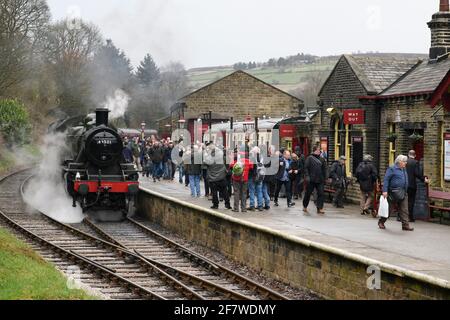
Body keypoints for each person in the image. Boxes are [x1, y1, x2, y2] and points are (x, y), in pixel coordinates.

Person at [379, 155, 414, 231]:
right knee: (389, 209)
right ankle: (381, 222)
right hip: (393, 192)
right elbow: (386, 180)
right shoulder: (392, 168)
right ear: (399, 162)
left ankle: (405, 225)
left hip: (403, 192)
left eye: (406, 161)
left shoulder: (404, 169)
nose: (405, 163)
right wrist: (385, 191)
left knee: (404, 210)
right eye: (404, 161)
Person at [204, 144, 231, 210]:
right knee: (225, 190)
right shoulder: (221, 156)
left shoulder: (209, 158)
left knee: (214, 192)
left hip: (213, 177)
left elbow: (205, 163)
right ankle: (227, 204)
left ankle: (215, 205)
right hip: (221, 176)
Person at [303, 145, 328, 214]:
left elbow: (325, 169)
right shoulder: (309, 158)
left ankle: (319, 208)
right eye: (317, 150)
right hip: (311, 179)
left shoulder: (322, 159)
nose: (319, 151)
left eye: (319, 150)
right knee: (308, 193)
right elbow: (306, 168)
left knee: (321, 193)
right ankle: (305, 206)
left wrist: (326, 177)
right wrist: (307, 176)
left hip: (320, 180)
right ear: (314, 150)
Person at [406, 150, 428, 222]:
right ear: (415, 155)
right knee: (411, 201)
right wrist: (423, 179)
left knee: (403, 200)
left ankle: (400, 217)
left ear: (408, 155)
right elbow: (417, 173)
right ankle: (410, 217)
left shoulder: (404, 162)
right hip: (412, 185)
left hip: (404, 184)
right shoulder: (415, 162)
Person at [248, 147, 264, 212]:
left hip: (252, 176)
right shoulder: (262, 157)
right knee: (259, 191)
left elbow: (250, 167)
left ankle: (252, 206)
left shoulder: (252, 157)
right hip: (260, 176)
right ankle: (260, 206)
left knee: (252, 191)